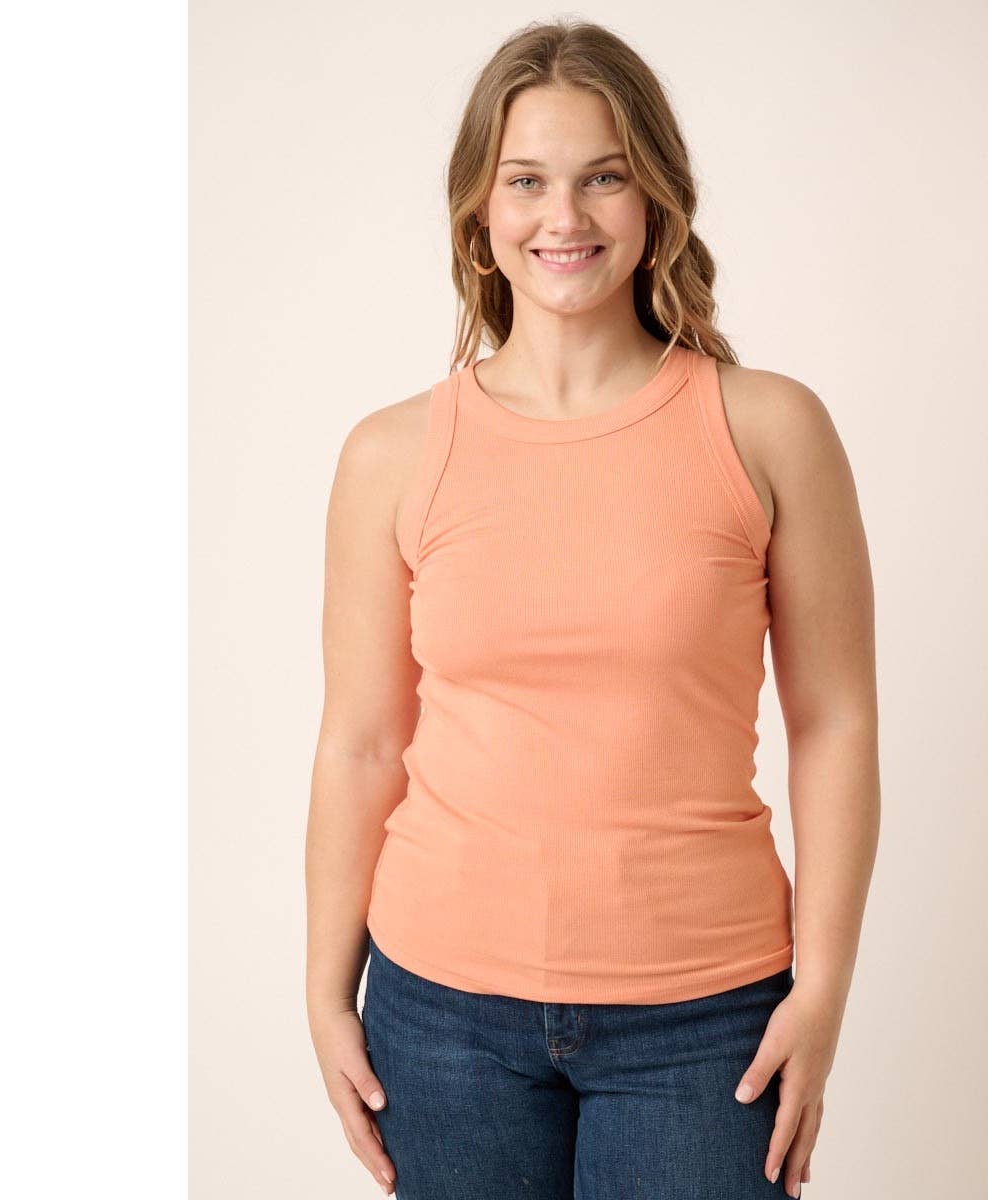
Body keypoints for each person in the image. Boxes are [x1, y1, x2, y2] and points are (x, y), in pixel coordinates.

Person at [305, 19, 879, 1199]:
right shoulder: (390, 454)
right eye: (526, 180)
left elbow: (835, 721)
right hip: (440, 1016)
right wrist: (323, 990)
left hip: (706, 1023)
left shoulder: (768, 428)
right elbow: (361, 740)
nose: (563, 217)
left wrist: (822, 992)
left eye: (603, 177)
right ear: (478, 208)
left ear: (656, 197)